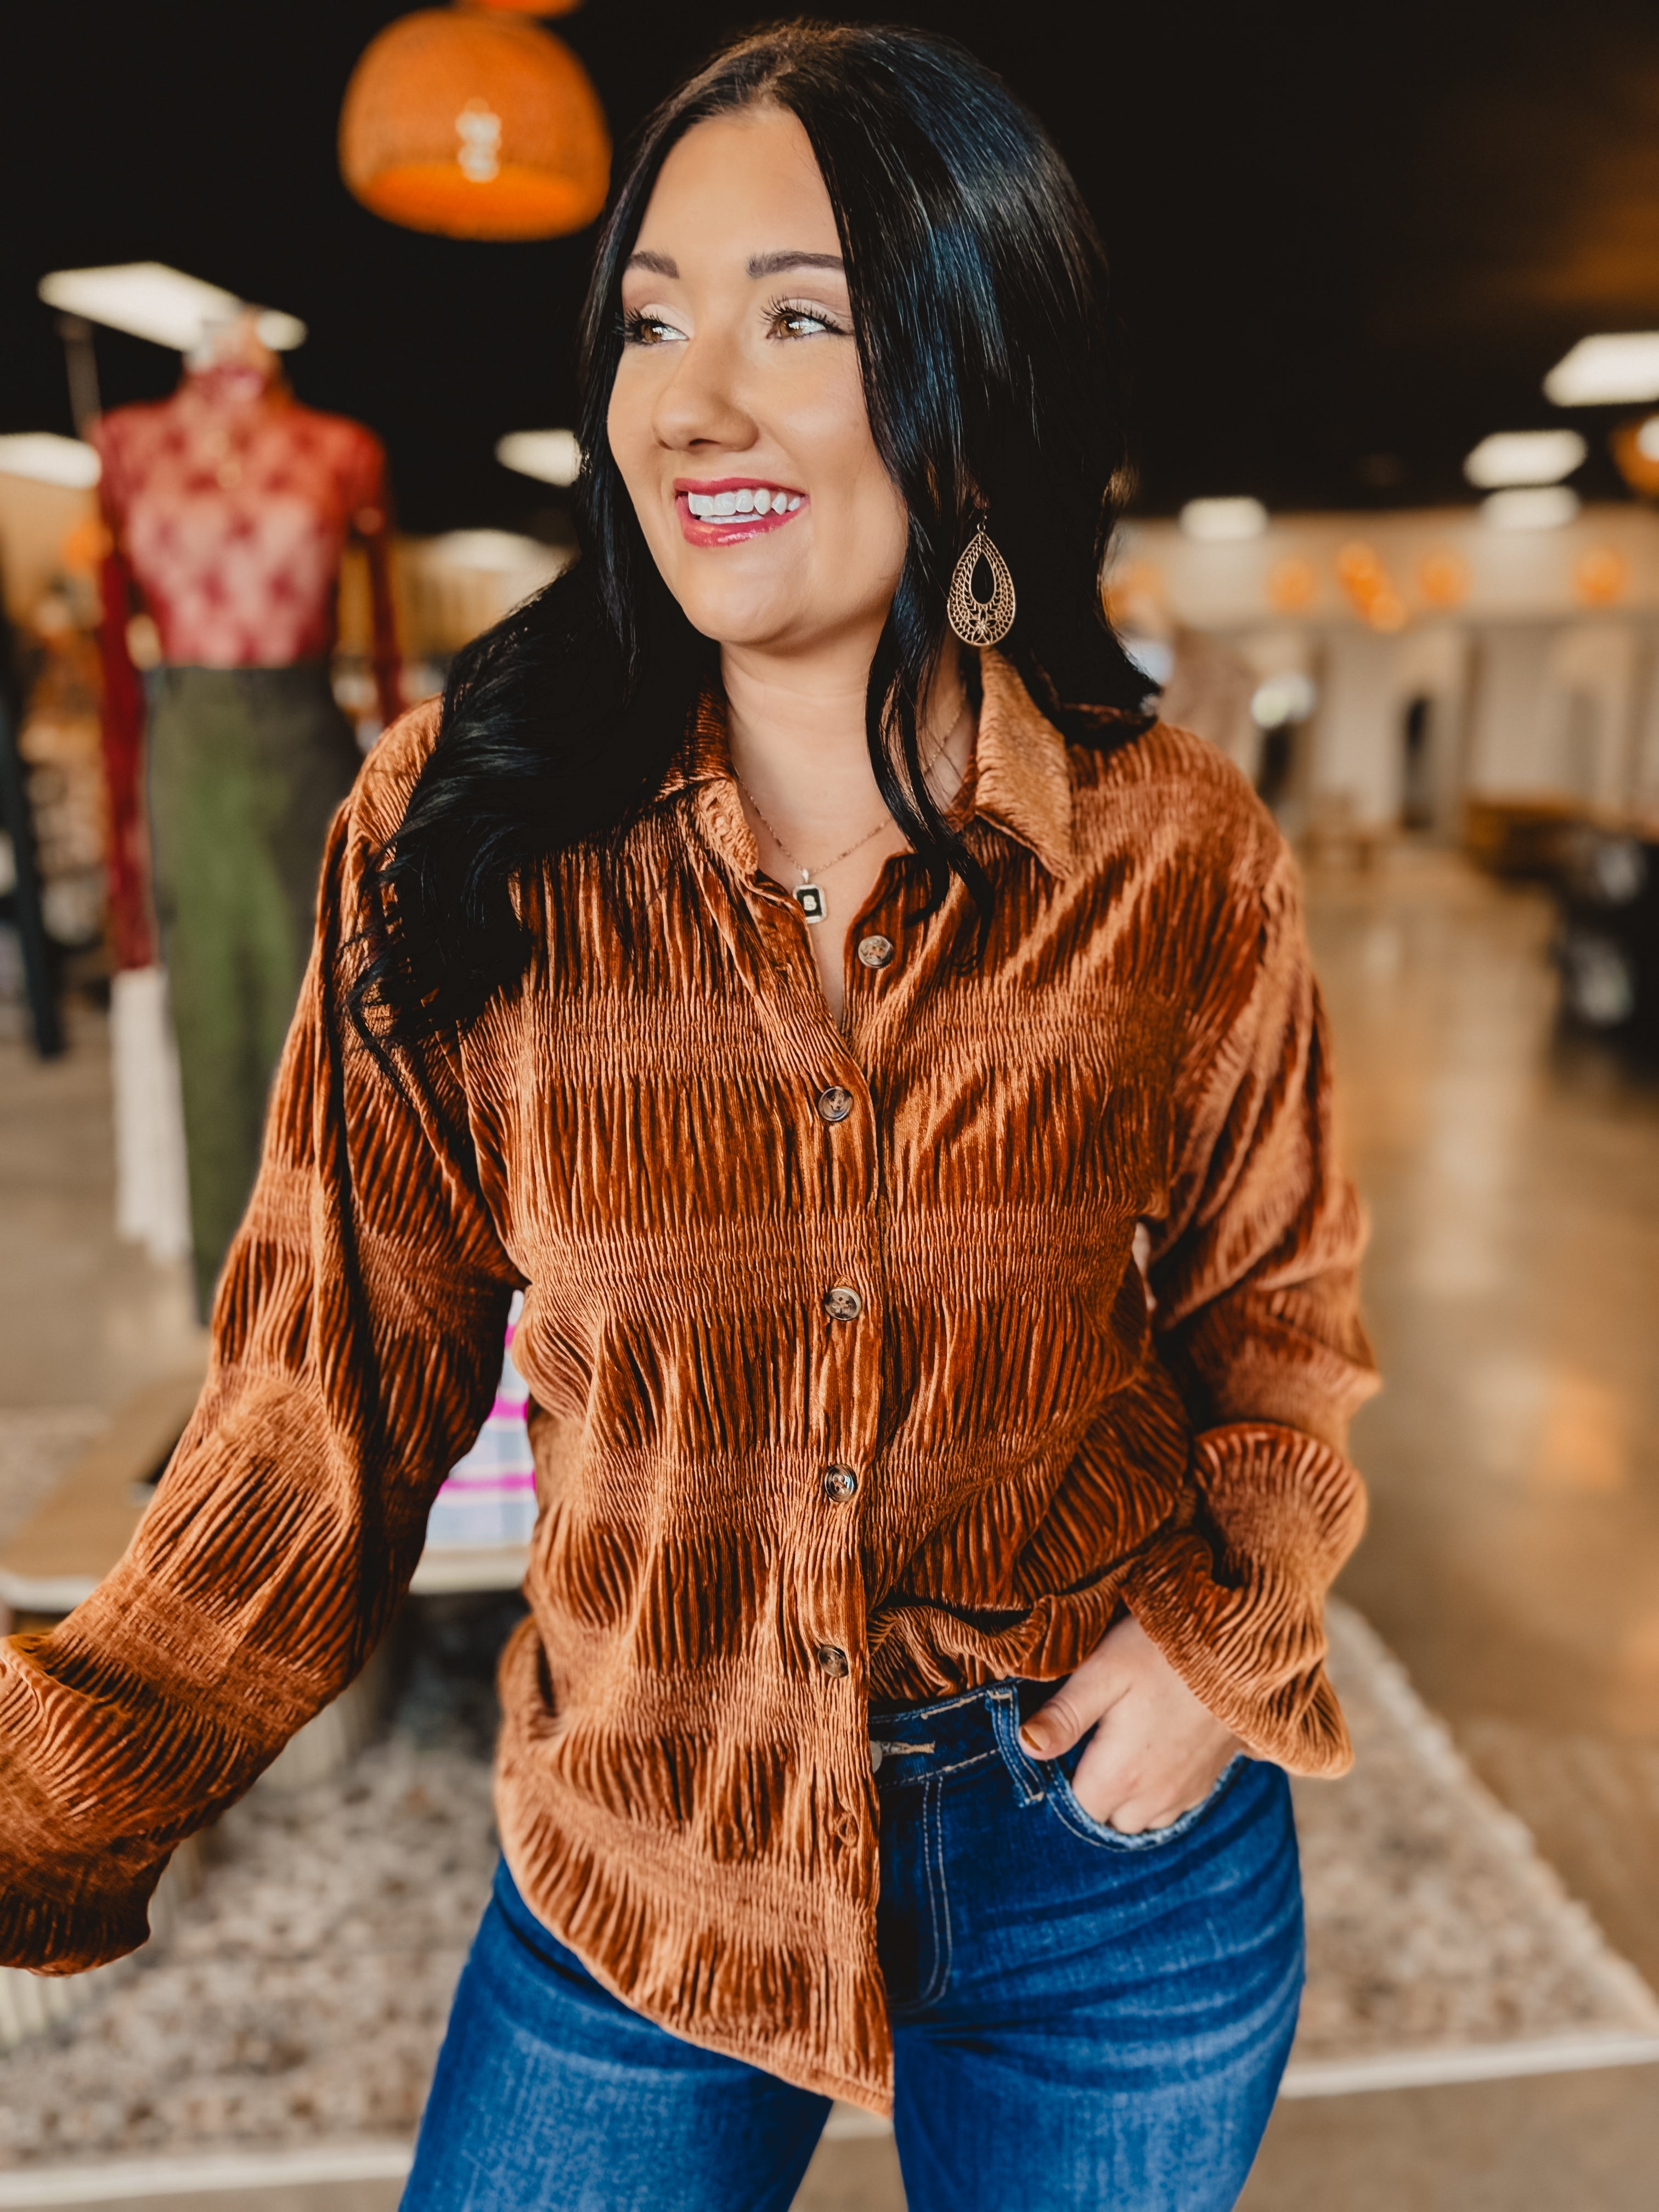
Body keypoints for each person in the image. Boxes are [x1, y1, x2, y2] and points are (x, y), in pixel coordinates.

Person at [0, 24, 1376, 2211]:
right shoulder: (454, 838)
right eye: (652, 318)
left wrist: (1215, 1653)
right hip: (645, 1840)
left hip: (1100, 1860)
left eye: (802, 317)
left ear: (972, 361)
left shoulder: (1175, 847)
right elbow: (317, 1415)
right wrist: (53, 1788)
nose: (692, 398)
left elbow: (1281, 1319)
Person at [94, 311, 400, 1312]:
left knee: (325, 993)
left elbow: (381, 625)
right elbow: (111, 641)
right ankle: (234, 1292)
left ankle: (342, 1272)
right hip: (188, 743)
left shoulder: (344, 447)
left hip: (306, 732)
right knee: (213, 1007)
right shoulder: (124, 444)